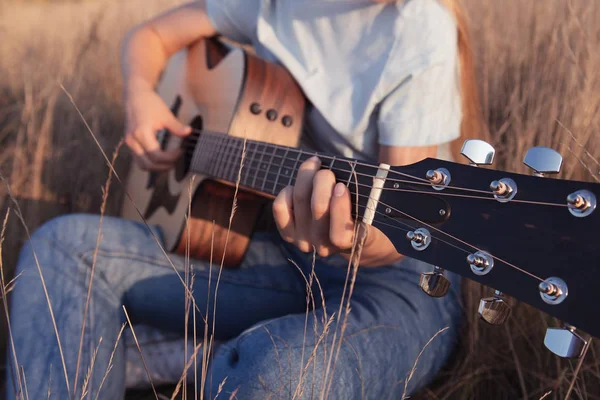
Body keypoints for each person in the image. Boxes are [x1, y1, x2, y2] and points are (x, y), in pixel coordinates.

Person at [6, 0, 482, 398]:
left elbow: (393, 235)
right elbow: (149, 37)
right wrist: (140, 96)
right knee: (60, 249)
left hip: (394, 280)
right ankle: (206, 351)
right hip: (277, 250)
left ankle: (210, 352)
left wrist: (346, 239)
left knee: (271, 373)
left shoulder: (419, 26)